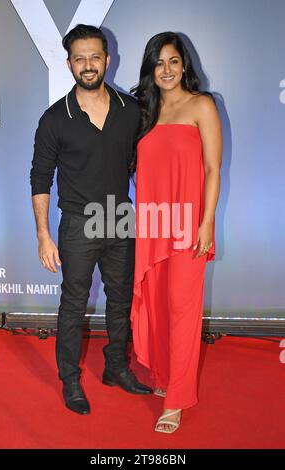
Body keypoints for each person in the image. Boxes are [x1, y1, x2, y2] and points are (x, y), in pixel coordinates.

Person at [30, 24, 152, 416]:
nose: (87, 65)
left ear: (107, 60)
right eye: (79, 58)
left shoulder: (129, 110)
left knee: (120, 300)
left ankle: (116, 368)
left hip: (119, 218)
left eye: (94, 57)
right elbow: (40, 178)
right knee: (73, 303)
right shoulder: (54, 119)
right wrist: (44, 236)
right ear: (69, 64)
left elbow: (145, 162)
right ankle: (70, 380)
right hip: (78, 222)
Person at [130, 32, 222, 433]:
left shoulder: (202, 105)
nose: (166, 70)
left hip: (189, 226)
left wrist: (206, 222)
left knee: (184, 310)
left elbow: (214, 169)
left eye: (173, 61)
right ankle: (164, 376)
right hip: (153, 224)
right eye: (159, 63)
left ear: (184, 64)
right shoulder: (144, 112)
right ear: (151, 68)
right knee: (156, 303)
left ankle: (177, 400)